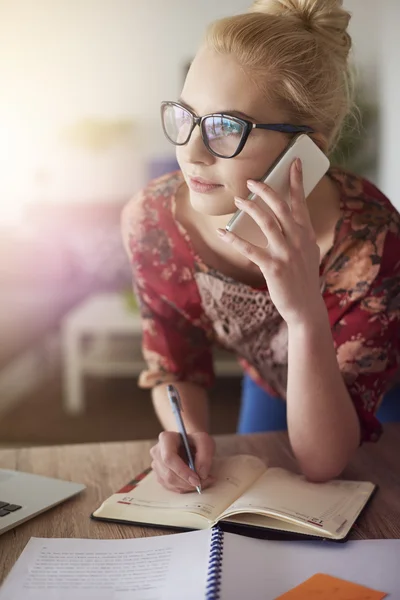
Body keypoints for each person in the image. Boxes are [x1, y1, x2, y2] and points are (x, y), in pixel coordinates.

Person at [121, 0, 400, 493]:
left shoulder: (373, 242)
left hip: (381, 383)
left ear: (307, 148)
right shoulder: (153, 222)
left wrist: (304, 312)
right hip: (273, 377)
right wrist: (185, 433)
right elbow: (175, 365)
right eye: (186, 116)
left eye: (226, 127)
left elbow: (323, 463)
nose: (189, 152)